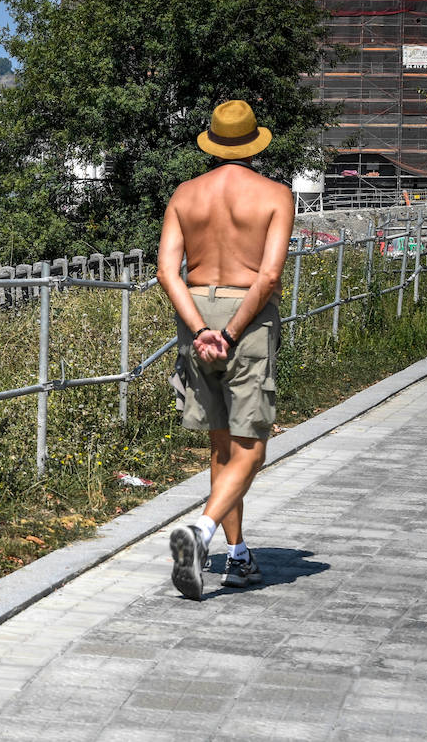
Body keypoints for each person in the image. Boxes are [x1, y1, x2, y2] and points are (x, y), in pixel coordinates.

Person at [157, 100, 294, 600]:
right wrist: (232, 333)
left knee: (220, 444)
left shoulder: (185, 194)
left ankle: (238, 558)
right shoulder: (276, 194)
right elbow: (271, 275)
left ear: (211, 143)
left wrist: (199, 330)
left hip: (194, 312)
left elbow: (166, 271)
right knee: (252, 445)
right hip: (247, 318)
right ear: (255, 142)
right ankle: (201, 534)